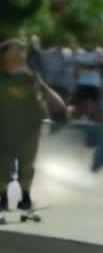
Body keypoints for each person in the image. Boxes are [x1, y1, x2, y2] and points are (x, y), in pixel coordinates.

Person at [0, 37, 66, 213]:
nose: (20, 53)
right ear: (5, 54)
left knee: (27, 164)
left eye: (22, 50)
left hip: (30, 127)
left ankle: (25, 196)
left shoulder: (30, 77)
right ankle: (3, 196)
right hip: (6, 126)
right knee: (3, 162)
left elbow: (57, 102)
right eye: (16, 49)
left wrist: (42, 86)